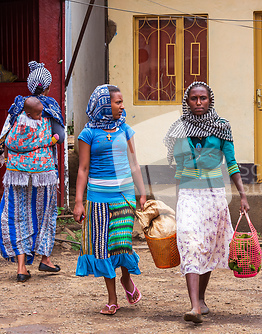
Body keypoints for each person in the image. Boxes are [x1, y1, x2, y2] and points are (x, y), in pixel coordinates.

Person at [163, 81, 250, 323]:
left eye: (203, 98)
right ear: (187, 101)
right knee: (191, 243)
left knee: (208, 247)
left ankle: (200, 298)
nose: (198, 103)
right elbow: (179, 169)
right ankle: (194, 307)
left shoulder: (222, 127)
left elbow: (231, 164)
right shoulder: (179, 129)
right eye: (193, 98)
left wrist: (242, 195)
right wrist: (178, 201)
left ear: (210, 100)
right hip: (190, 196)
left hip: (214, 197)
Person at [73, 84, 147, 315]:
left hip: (124, 197)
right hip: (98, 198)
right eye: (117, 102)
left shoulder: (124, 129)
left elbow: (134, 163)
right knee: (103, 248)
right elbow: (83, 169)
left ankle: (126, 279)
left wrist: (142, 192)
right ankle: (112, 298)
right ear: (104, 104)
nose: (122, 106)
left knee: (122, 244)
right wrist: (78, 201)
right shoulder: (88, 134)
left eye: (121, 102)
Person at [0, 61, 65, 283]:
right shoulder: (50, 107)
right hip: (43, 173)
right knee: (45, 213)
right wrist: (48, 141)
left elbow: (3, 138)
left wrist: (5, 155)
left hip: (16, 172)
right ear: (47, 86)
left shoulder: (17, 107)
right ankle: (45, 258)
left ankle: (21, 267)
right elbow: (60, 135)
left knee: (17, 215)